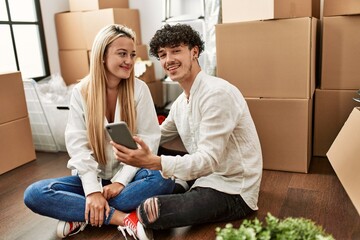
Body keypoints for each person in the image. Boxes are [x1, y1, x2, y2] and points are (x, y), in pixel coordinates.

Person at [110, 24, 263, 239]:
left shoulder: (217, 94)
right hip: (202, 177)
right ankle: (102, 206)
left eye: (176, 50)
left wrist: (152, 162)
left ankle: (111, 210)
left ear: (194, 52)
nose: (168, 59)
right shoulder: (181, 102)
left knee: (150, 210)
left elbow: (209, 160)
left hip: (233, 188)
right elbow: (158, 136)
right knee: (151, 170)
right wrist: (129, 143)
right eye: (163, 55)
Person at [23, 24, 174, 239]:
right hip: (92, 178)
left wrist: (120, 182)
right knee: (34, 194)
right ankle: (121, 217)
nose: (129, 61)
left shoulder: (139, 89)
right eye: (122, 54)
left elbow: (149, 138)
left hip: (130, 177)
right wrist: (93, 191)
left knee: (164, 179)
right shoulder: (81, 92)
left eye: (132, 55)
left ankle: (82, 213)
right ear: (102, 56)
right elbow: (77, 145)